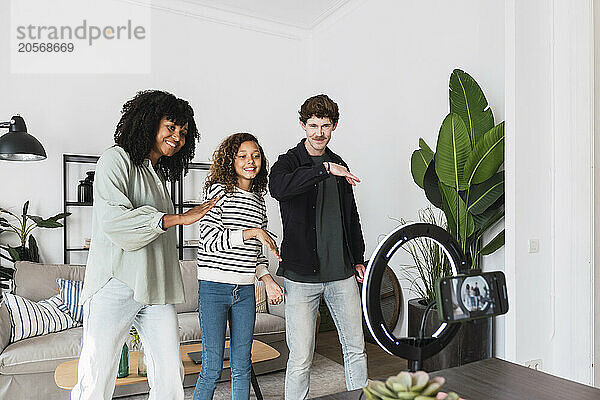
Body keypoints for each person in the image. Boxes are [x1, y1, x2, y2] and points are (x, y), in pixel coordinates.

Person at [71, 90, 218, 400]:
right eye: (171, 126)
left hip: (156, 286)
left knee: (170, 376)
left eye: (183, 132)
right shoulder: (116, 158)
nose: (177, 137)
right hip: (115, 282)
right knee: (96, 375)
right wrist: (178, 219)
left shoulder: (155, 174)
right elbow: (115, 223)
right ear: (151, 122)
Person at [269, 94, 368, 399]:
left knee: (355, 349)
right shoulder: (288, 163)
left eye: (325, 126)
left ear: (334, 126)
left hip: (341, 275)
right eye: (313, 125)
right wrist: (323, 170)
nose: (319, 133)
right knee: (300, 359)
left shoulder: (340, 164)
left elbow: (349, 215)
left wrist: (358, 258)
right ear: (303, 125)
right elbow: (279, 189)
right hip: (301, 279)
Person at [194, 133, 284, 400]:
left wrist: (267, 280)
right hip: (214, 288)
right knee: (211, 367)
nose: (250, 161)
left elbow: (256, 254)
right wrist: (252, 232)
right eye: (242, 156)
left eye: (255, 155)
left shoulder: (259, 200)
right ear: (230, 160)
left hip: (245, 290)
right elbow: (209, 241)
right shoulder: (218, 192)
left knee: (242, 366)